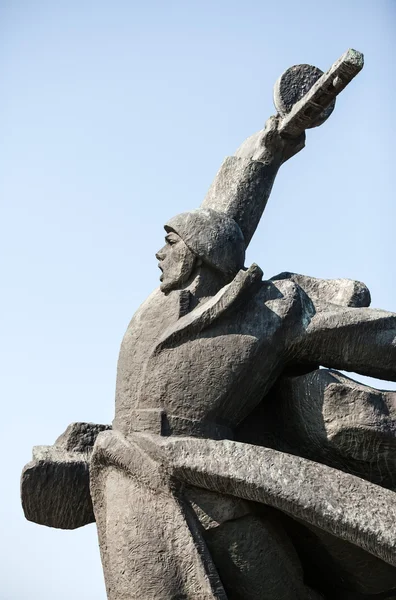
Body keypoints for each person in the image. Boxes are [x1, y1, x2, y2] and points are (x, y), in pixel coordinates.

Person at [88, 117, 396, 599]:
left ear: (198, 255)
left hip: (220, 487)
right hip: (131, 483)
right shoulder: (158, 306)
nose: (157, 254)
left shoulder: (272, 310)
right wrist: (271, 144)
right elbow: (220, 211)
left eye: (170, 243)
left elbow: (371, 336)